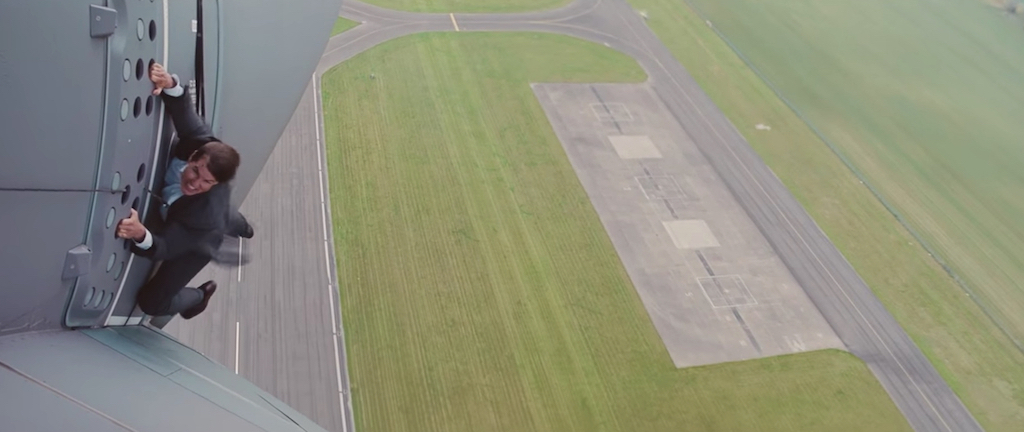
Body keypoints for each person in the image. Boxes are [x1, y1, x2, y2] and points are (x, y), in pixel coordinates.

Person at [115, 62, 253, 320]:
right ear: (193, 155)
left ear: (216, 184)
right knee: (227, 214)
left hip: (199, 239)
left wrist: (140, 233)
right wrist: (169, 84)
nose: (194, 183)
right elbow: (187, 116)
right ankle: (241, 225)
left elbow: (165, 246)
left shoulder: (202, 217)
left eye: (205, 182)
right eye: (195, 171)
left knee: (151, 302)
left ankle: (199, 298)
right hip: (208, 210)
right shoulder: (201, 143)